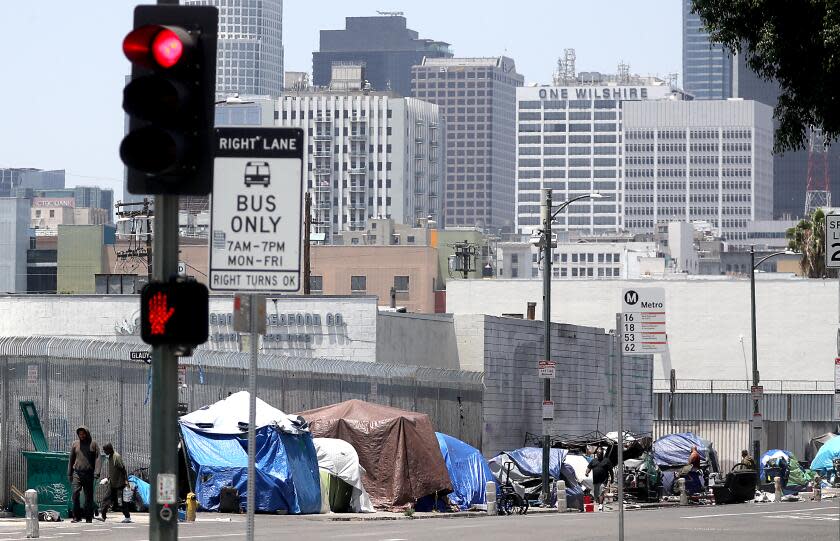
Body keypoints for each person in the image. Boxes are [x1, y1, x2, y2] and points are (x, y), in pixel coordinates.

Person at [67, 426, 101, 523]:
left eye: (83, 434)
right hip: (77, 473)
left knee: (88, 497)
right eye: (80, 434)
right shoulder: (75, 444)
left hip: (89, 474)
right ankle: (76, 517)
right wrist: (69, 473)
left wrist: (97, 473)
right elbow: (71, 459)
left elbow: (98, 458)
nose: (81, 436)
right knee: (75, 494)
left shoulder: (93, 444)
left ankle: (88, 517)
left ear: (87, 433)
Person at [98, 443, 131, 523]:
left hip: (120, 484)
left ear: (110, 449)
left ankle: (127, 517)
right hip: (112, 483)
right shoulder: (109, 457)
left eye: (105, 450)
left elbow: (123, 469)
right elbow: (113, 471)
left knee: (122, 502)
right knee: (106, 499)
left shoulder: (116, 457)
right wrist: (107, 478)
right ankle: (103, 516)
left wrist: (126, 481)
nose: (104, 452)